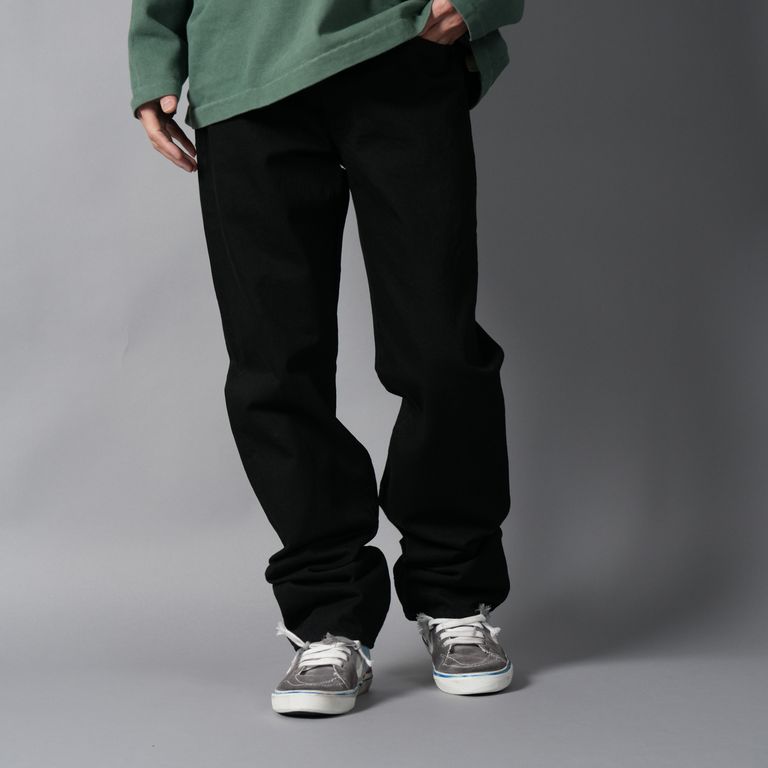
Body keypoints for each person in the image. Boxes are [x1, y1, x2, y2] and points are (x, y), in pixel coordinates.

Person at [128, 0, 524, 716]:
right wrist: (154, 48)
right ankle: (327, 614)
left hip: (398, 47)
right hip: (243, 66)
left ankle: (454, 593)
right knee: (273, 364)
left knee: (439, 351)